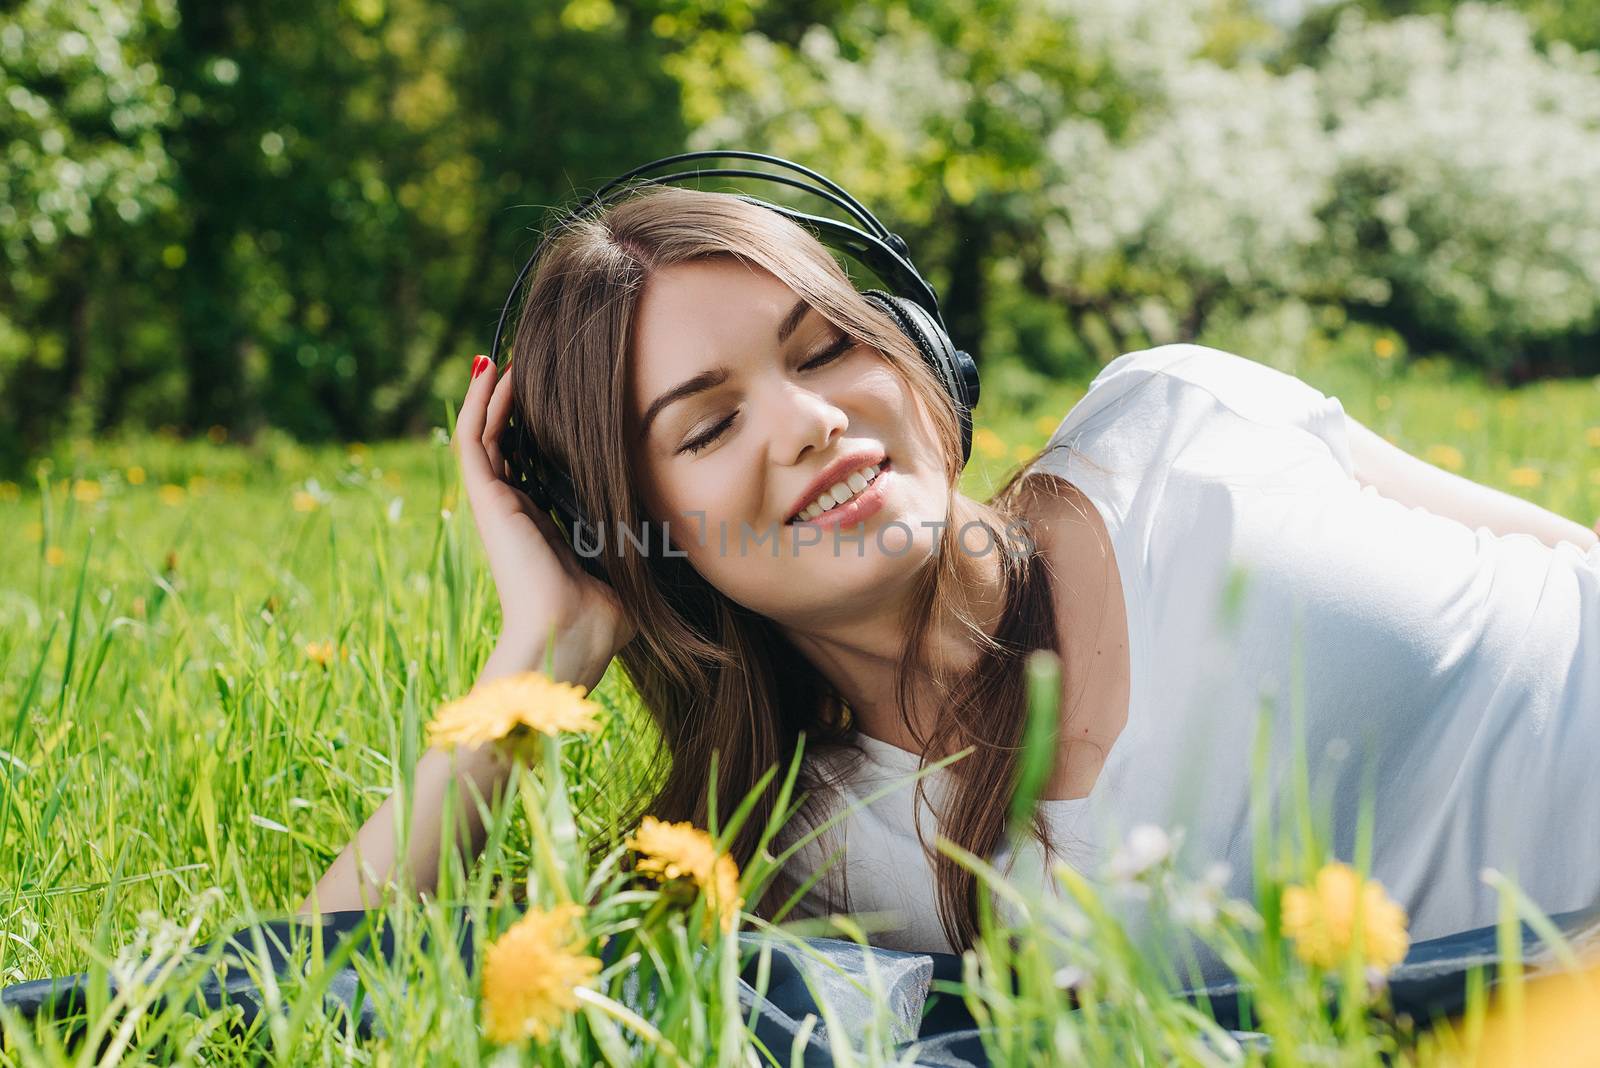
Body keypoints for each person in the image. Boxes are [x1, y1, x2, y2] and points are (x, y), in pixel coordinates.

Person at [301, 184, 1600, 985]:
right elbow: (294, 999)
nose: (809, 421)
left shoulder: (1180, 412)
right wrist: (546, 646)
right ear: (639, 534)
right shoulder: (793, 864)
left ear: (917, 356)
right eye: (707, 428)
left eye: (827, 348)